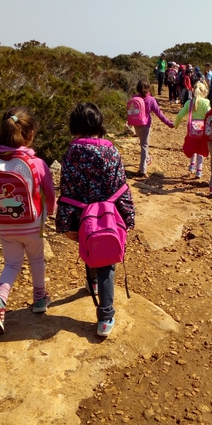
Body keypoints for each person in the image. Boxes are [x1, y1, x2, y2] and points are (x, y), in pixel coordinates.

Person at [56, 102, 135, 337]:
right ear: (99, 123)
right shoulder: (111, 149)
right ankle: (105, 317)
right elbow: (121, 186)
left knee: (91, 246)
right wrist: (128, 215)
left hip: (82, 217)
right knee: (107, 263)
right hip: (109, 217)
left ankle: (93, 284)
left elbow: (68, 189)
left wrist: (65, 222)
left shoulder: (71, 151)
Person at [0, 107, 56, 335]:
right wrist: (50, 211)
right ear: (30, 134)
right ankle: (40, 298)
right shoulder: (36, 163)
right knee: (36, 259)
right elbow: (49, 193)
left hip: (2, 224)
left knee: (12, 264)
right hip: (31, 224)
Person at [131, 78, 174, 177]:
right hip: (146, 125)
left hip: (136, 125)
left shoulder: (134, 97)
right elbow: (159, 114)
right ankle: (143, 170)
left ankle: (146, 159)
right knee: (144, 146)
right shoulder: (151, 100)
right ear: (148, 88)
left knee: (142, 144)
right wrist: (169, 123)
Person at [174, 81, 210, 179]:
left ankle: (192, 165)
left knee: (193, 146)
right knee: (201, 149)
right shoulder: (206, 102)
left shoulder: (189, 102)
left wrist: (176, 124)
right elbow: (209, 115)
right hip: (203, 130)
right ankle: (199, 171)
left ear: (193, 91)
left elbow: (180, 115)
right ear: (204, 92)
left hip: (192, 130)